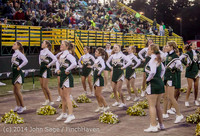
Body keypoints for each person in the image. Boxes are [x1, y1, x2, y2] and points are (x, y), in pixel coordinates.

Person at [144, 44, 165, 132]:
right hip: (159, 83)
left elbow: (152, 72)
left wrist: (148, 80)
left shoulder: (152, 59)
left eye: (148, 49)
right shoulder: (158, 58)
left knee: (152, 106)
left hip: (153, 84)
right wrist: (159, 77)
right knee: (158, 106)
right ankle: (161, 125)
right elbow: (163, 70)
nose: (147, 50)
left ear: (152, 50)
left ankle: (153, 125)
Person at [56, 40, 77, 123]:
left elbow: (74, 64)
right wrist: (57, 69)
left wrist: (68, 69)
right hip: (62, 76)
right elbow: (57, 63)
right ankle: (64, 113)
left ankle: (71, 115)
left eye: (62, 44)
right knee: (63, 96)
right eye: (61, 44)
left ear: (67, 47)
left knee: (67, 96)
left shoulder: (68, 55)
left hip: (67, 77)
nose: (60, 45)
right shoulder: (62, 55)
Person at [163, 41, 184, 123]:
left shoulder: (175, 56)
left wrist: (174, 69)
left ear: (172, 47)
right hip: (166, 77)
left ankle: (179, 115)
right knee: (165, 96)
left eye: (167, 46)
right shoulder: (168, 55)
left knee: (171, 97)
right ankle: (164, 113)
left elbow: (180, 67)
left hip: (171, 78)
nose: (166, 47)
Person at [90, 47, 110, 113]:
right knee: (96, 94)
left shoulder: (100, 59)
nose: (95, 53)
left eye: (96, 52)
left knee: (99, 94)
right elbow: (94, 67)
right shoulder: (97, 59)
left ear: (100, 54)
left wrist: (99, 72)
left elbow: (103, 66)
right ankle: (100, 106)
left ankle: (106, 106)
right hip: (95, 78)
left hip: (99, 78)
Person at [180, 42, 200, 107]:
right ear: (191, 46)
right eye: (194, 45)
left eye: (196, 45)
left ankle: (195, 100)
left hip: (196, 71)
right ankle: (186, 100)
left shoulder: (198, 53)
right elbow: (180, 58)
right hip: (190, 71)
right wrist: (185, 63)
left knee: (196, 87)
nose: (195, 46)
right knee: (190, 86)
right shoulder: (188, 53)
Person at [12, 42, 28, 113]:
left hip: (18, 74)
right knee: (15, 91)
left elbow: (25, 61)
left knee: (18, 91)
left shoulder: (19, 54)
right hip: (14, 73)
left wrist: (19, 67)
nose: (13, 45)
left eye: (14, 44)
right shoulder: (15, 54)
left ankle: (23, 106)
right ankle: (18, 105)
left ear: (18, 46)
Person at [39, 40, 57, 106]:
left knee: (45, 86)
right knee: (42, 85)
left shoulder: (48, 52)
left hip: (46, 69)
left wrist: (49, 65)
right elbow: (39, 59)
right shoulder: (41, 51)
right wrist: (40, 63)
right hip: (42, 68)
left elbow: (55, 59)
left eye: (43, 43)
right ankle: (46, 99)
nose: (42, 44)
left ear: (46, 45)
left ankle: (51, 100)